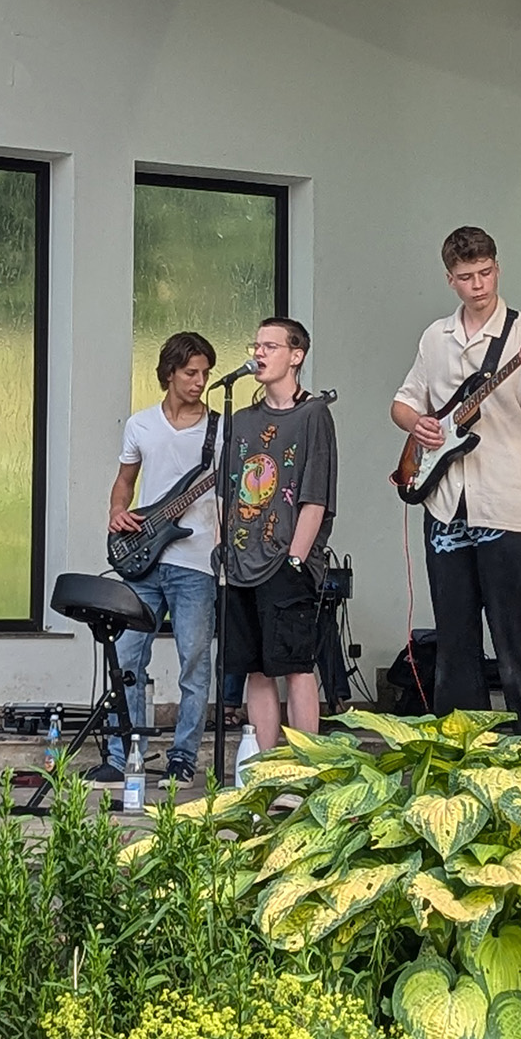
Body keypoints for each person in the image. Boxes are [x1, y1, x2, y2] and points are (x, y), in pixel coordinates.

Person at [391, 227, 521, 732]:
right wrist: (419, 423)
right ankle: (462, 741)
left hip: (507, 503)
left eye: (486, 273)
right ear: (450, 280)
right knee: (454, 636)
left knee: (516, 632)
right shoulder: (436, 336)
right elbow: (403, 402)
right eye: (467, 277)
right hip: (445, 500)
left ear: (498, 268)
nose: (479, 285)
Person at [102, 330, 220, 786]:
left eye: (205, 373)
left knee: (194, 663)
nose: (200, 382)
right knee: (127, 658)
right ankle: (123, 754)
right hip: (144, 560)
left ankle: (183, 757)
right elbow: (125, 481)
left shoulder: (220, 430)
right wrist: (117, 512)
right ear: (169, 373)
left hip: (196, 563)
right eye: (191, 372)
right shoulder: (141, 425)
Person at [220, 316, 338, 750]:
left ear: (296, 355)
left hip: (286, 559)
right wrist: (223, 548)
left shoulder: (313, 414)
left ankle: (305, 765)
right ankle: (266, 765)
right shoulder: (241, 419)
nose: (259, 353)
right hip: (240, 562)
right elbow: (226, 491)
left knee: (295, 665)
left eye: (271, 346)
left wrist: (296, 559)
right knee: (256, 667)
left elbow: (316, 494)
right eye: (256, 346)